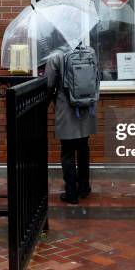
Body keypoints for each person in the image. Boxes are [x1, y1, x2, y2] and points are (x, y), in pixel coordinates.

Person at [45, 50, 97, 204]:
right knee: (83, 148)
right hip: (87, 107)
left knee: (67, 151)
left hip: (66, 108)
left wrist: (46, 104)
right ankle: (84, 187)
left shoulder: (55, 57)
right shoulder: (90, 52)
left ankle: (71, 193)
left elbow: (49, 84)